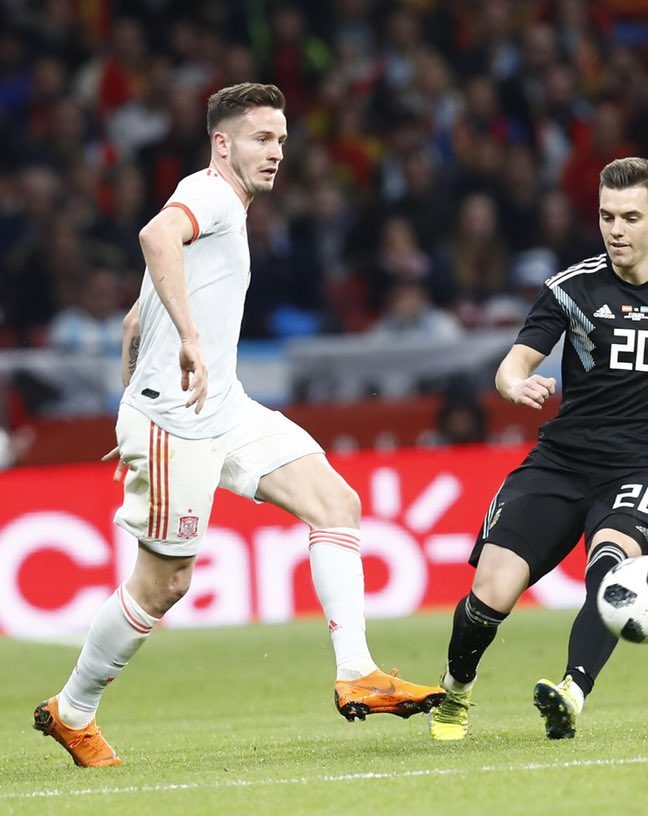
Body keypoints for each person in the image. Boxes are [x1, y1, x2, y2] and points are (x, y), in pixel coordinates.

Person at [33, 83, 445, 768]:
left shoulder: (223, 207)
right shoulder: (212, 196)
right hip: (180, 419)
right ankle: (72, 710)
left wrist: (131, 403)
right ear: (222, 144)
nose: (276, 151)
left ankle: (358, 673)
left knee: (336, 504)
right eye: (261, 138)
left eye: (281, 139)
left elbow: (134, 320)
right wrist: (176, 364)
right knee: (164, 585)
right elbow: (154, 235)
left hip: (221, 406)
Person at [427, 157, 648, 741]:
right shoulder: (571, 289)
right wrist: (515, 385)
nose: (616, 230)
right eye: (606, 216)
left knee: (613, 570)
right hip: (562, 463)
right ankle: (456, 689)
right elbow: (513, 363)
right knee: (491, 593)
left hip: (644, 470)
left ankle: (572, 691)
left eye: (630, 217)